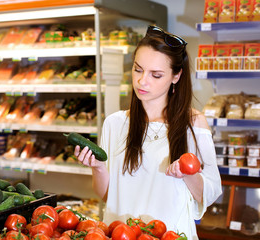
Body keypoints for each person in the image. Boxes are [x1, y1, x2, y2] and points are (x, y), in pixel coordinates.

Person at [74, 25, 222, 239]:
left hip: (171, 234)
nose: (143, 81)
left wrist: (187, 174)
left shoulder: (193, 124)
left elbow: (208, 194)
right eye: (138, 69)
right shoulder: (114, 124)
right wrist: (97, 168)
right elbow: (107, 194)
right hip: (120, 233)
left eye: (156, 74)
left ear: (176, 76)